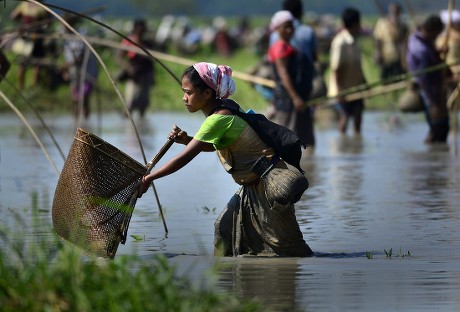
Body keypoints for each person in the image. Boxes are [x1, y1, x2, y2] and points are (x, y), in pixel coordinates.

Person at [137, 62, 313, 257]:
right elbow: (218, 144)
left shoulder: (217, 120)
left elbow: (183, 159)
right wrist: (187, 140)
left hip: (268, 186)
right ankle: (227, 281)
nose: (184, 98)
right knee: (225, 230)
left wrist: (149, 179)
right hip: (252, 186)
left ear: (207, 94)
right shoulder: (226, 108)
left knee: (288, 248)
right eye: (183, 92)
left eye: (189, 93)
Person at [268, 10, 315, 149]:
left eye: (291, 26)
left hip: (297, 97)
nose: (290, 30)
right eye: (285, 27)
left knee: (304, 138)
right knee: (287, 139)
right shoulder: (280, 47)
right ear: (277, 28)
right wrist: (295, 97)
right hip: (287, 99)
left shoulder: (290, 46)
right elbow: (283, 74)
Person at [406, 15, 449, 144]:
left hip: (434, 86)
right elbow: (423, 79)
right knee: (438, 127)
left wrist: (438, 51)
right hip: (428, 89)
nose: (436, 38)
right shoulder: (421, 49)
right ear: (432, 31)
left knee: (440, 126)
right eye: (436, 35)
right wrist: (435, 103)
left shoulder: (420, 39)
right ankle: (432, 160)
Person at [328, 7, 367, 136]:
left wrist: (364, 83)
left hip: (356, 87)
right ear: (355, 24)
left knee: (358, 117)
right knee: (344, 118)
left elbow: (357, 65)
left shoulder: (355, 40)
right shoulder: (340, 42)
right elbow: (336, 68)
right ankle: (343, 145)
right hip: (343, 89)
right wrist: (340, 91)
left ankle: (356, 142)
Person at [61, 16, 98, 120]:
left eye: (64, 25)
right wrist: (66, 71)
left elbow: (79, 59)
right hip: (74, 74)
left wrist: (64, 67)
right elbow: (68, 57)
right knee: (74, 100)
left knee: (83, 100)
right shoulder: (66, 38)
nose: (63, 27)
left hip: (87, 74)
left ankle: (85, 129)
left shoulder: (81, 37)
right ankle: (75, 126)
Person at [117, 19, 155, 118]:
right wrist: (128, 68)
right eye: (140, 29)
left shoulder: (147, 43)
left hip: (145, 75)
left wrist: (152, 76)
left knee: (143, 104)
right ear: (136, 29)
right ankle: (126, 127)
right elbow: (119, 57)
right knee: (129, 104)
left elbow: (151, 62)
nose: (142, 31)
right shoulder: (128, 42)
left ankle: (141, 127)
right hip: (133, 77)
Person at [10, 0, 49, 90]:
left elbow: (14, 16)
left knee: (35, 64)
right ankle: (24, 88)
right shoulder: (29, 5)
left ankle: (32, 87)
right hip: (28, 39)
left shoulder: (30, 5)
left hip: (35, 39)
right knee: (29, 64)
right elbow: (14, 16)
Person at [373, 2, 409, 81]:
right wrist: (379, 52)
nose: (394, 13)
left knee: (399, 77)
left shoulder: (402, 26)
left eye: (396, 12)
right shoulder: (382, 23)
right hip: (385, 55)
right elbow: (378, 39)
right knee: (385, 78)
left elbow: (404, 41)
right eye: (393, 11)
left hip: (398, 56)